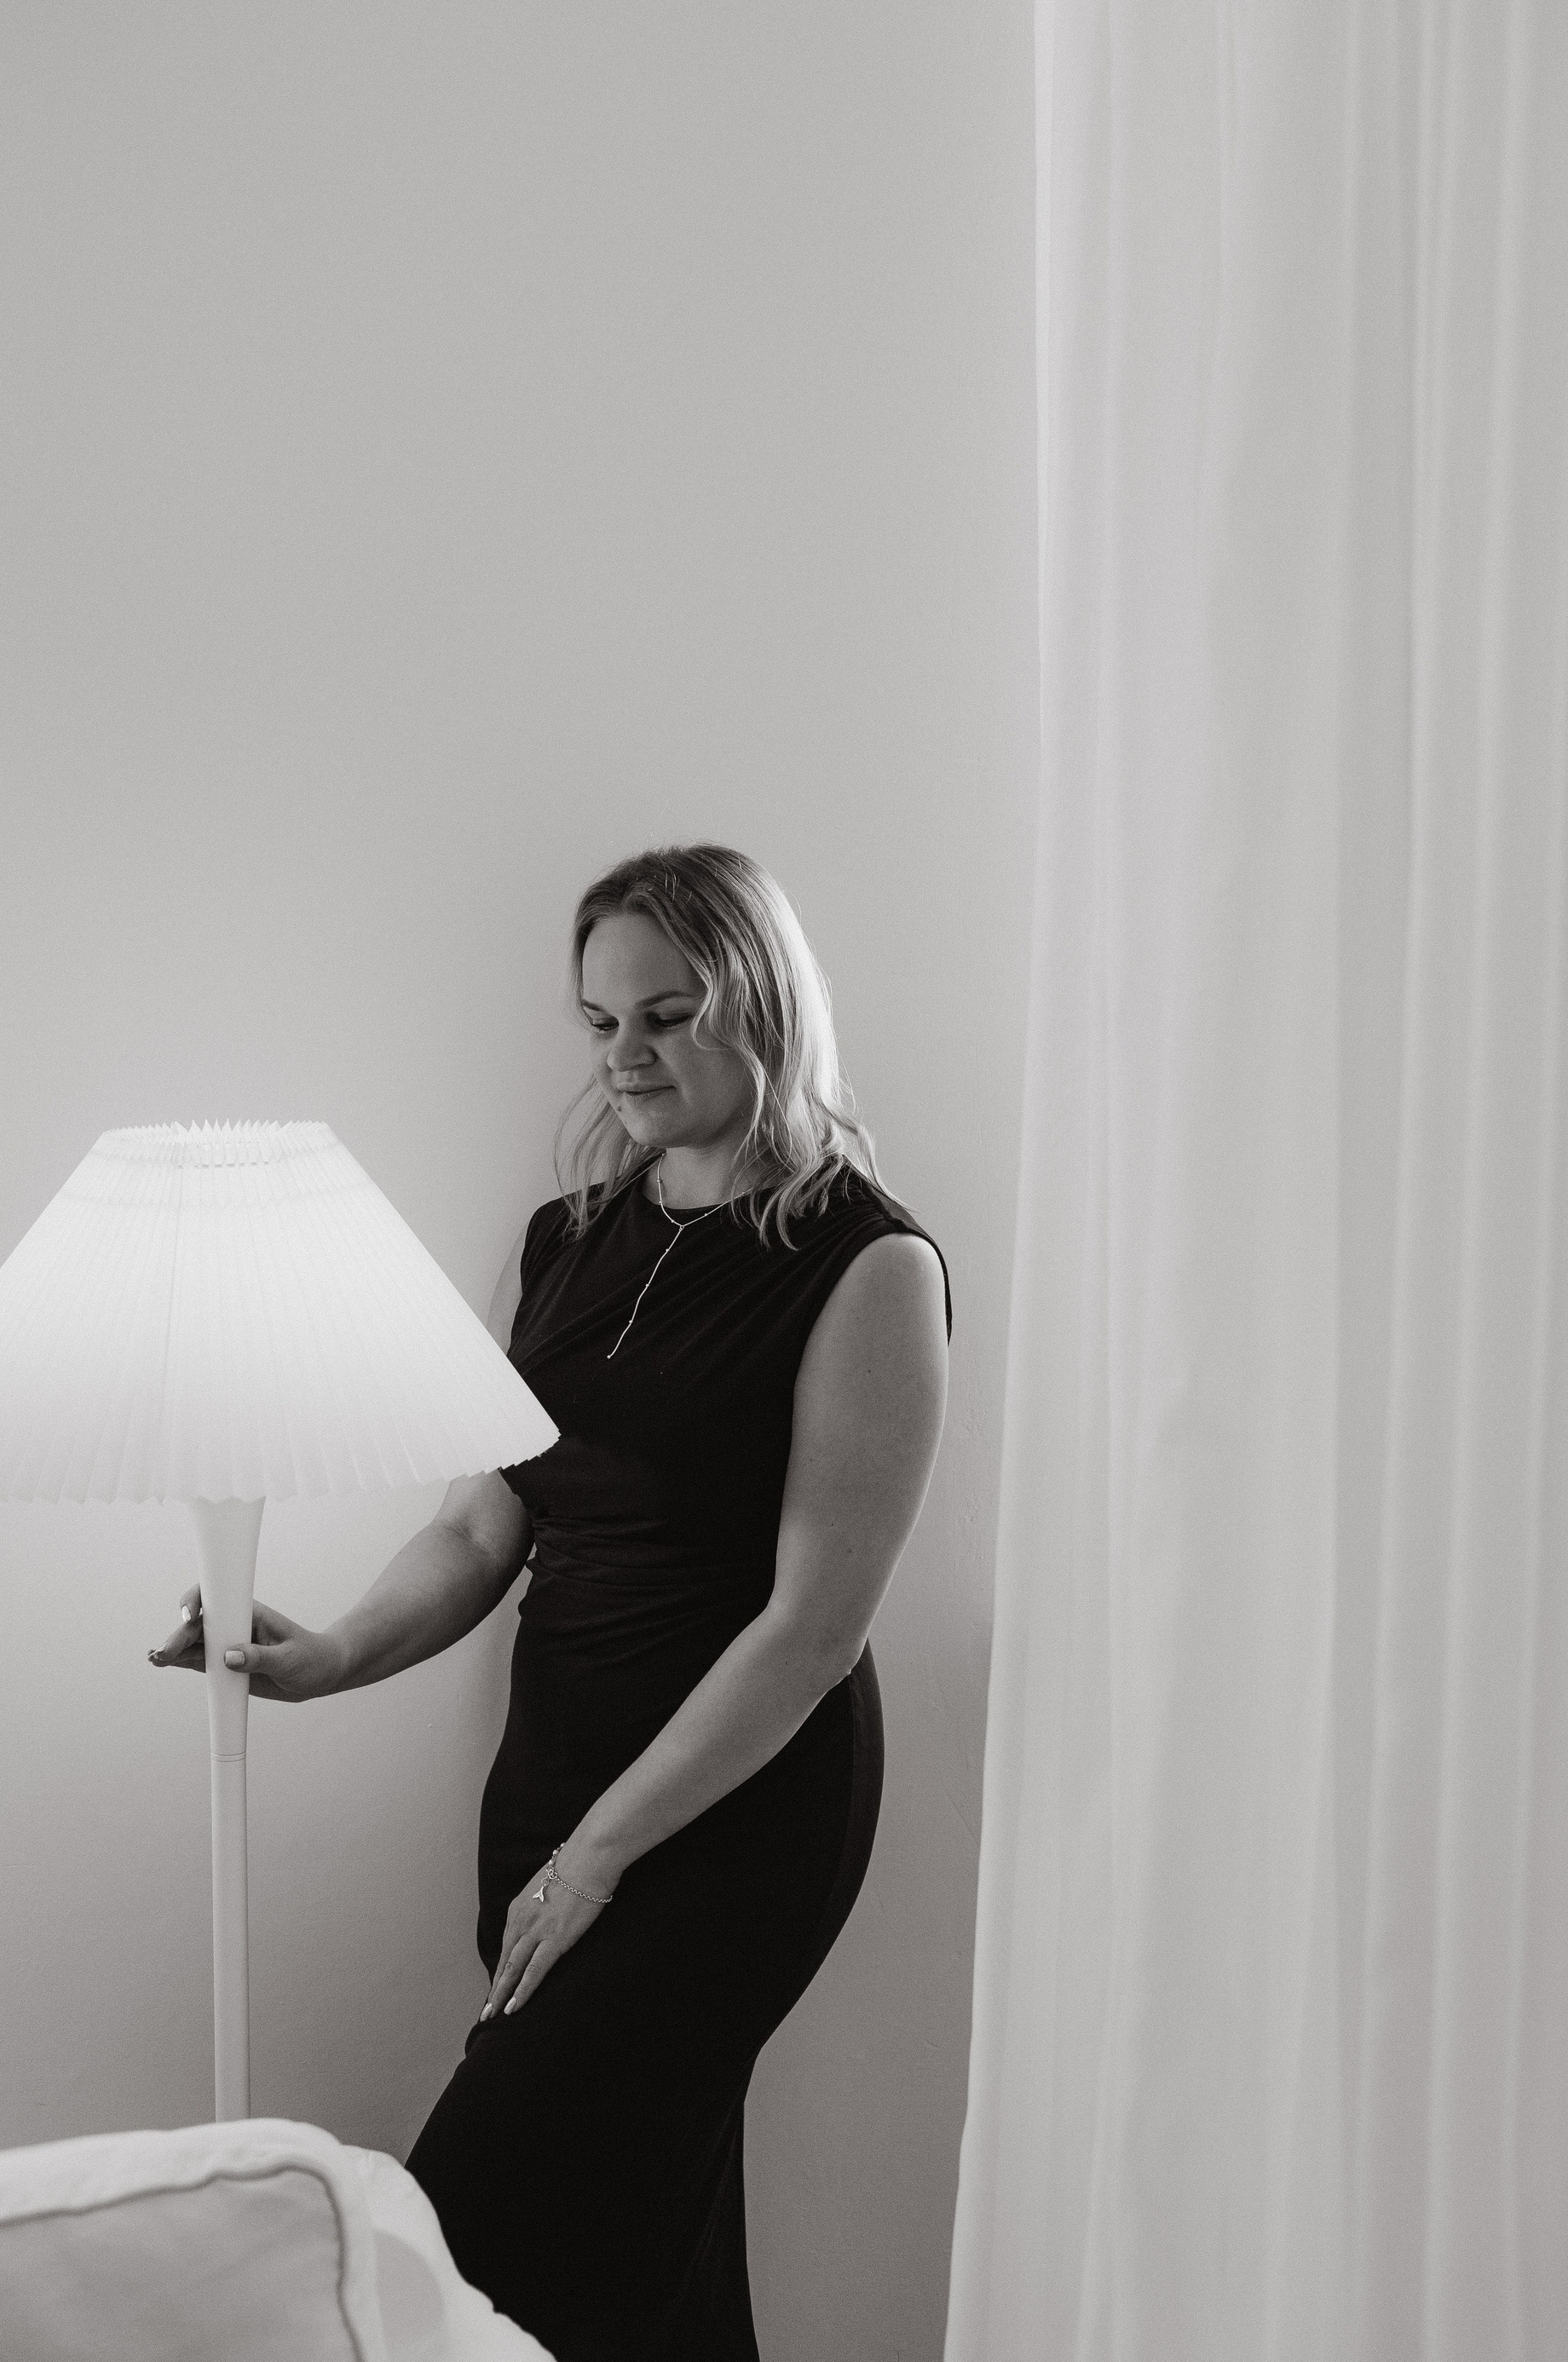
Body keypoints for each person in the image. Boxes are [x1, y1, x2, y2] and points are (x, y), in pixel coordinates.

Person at [150, 843, 951, 2361]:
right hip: (554, 1784)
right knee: (644, 2252)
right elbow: (480, 1524)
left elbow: (811, 1629)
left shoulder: (869, 1265)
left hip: (732, 1815)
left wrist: (596, 1861)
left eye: (668, 1015)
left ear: (764, 1006)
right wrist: (324, 1656)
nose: (623, 1055)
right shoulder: (563, 1241)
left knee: (459, 2237)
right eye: (600, 1022)